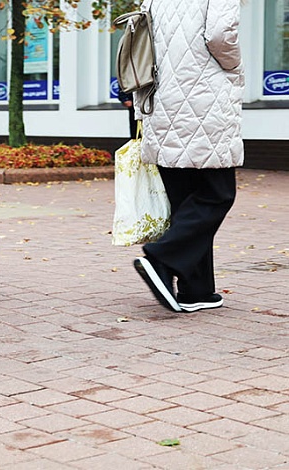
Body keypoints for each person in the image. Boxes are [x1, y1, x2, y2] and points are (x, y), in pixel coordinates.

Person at [132, 0, 244, 313]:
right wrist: (234, 68)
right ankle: (161, 258)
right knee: (217, 194)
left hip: (162, 102)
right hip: (204, 101)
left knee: (186, 201)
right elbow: (221, 36)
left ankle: (197, 290)